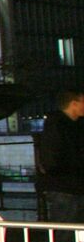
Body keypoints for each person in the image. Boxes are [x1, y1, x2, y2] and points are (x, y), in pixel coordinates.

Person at [38, 89, 84, 224]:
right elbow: (51, 159)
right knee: (67, 227)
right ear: (74, 103)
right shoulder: (57, 125)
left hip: (70, 185)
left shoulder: (64, 124)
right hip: (65, 186)